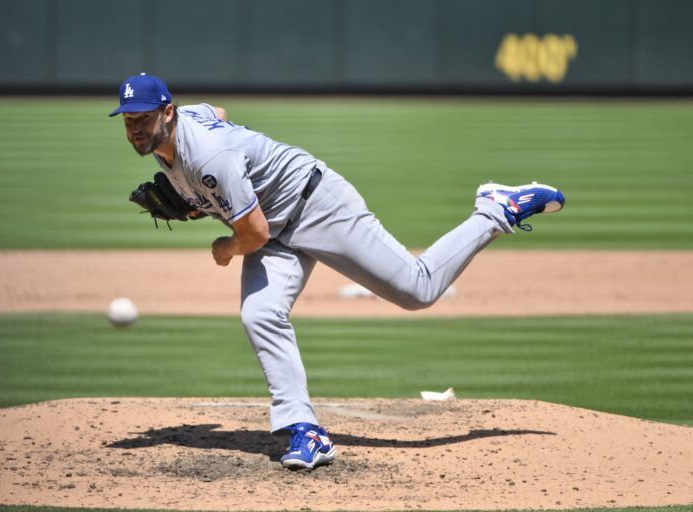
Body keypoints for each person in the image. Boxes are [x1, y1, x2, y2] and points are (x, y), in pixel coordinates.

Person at [110, 73, 565, 470]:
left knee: (418, 288)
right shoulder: (182, 129)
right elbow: (218, 112)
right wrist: (210, 195)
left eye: (143, 118)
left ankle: (493, 210)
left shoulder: (209, 158)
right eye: (129, 120)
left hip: (316, 206)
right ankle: (305, 430)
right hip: (276, 227)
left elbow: (251, 234)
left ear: (167, 113)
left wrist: (225, 248)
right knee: (260, 314)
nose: (135, 129)